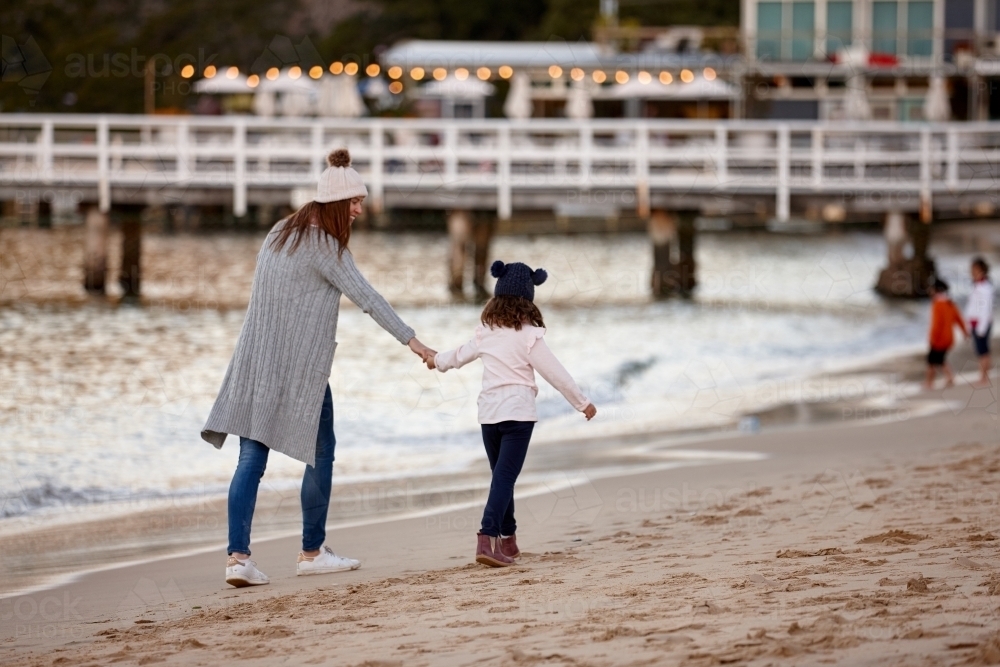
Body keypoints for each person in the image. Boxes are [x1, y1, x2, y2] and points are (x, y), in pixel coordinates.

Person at [201, 149, 436, 587]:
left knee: (250, 458)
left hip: (256, 363)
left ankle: (238, 559)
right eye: (354, 203)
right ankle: (311, 551)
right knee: (322, 452)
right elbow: (370, 299)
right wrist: (415, 342)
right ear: (335, 204)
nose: (360, 211)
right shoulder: (326, 248)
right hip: (299, 373)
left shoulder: (278, 232)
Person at [426, 261, 597, 567]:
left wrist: (435, 360)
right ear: (528, 298)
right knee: (504, 479)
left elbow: (457, 356)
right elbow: (555, 373)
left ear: (497, 295)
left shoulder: (486, 333)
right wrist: (582, 402)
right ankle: (486, 539)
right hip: (518, 416)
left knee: (501, 479)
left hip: (489, 416)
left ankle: (509, 542)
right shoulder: (529, 335)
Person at [924, 278, 967, 389]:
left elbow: (937, 324)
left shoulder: (937, 304)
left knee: (931, 360)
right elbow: (959, 319)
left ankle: (929, 383)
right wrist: (965, 332)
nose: (930, 291)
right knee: (940, 359)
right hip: (949, 338)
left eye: (932, 289)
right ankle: (949, 377)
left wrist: (932, 338)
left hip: (939, 339)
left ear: (936, 290)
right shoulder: (950, 303)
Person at [966, 257, 995, 387]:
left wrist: (981, 327)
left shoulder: (985, 287)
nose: (971, 271)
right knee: (979, 351)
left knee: (983, 350)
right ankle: (982, 375)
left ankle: (984, 376)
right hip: (975, 322)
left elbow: (986, 308)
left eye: (974, 268)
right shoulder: (977, 285)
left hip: (981, 323)